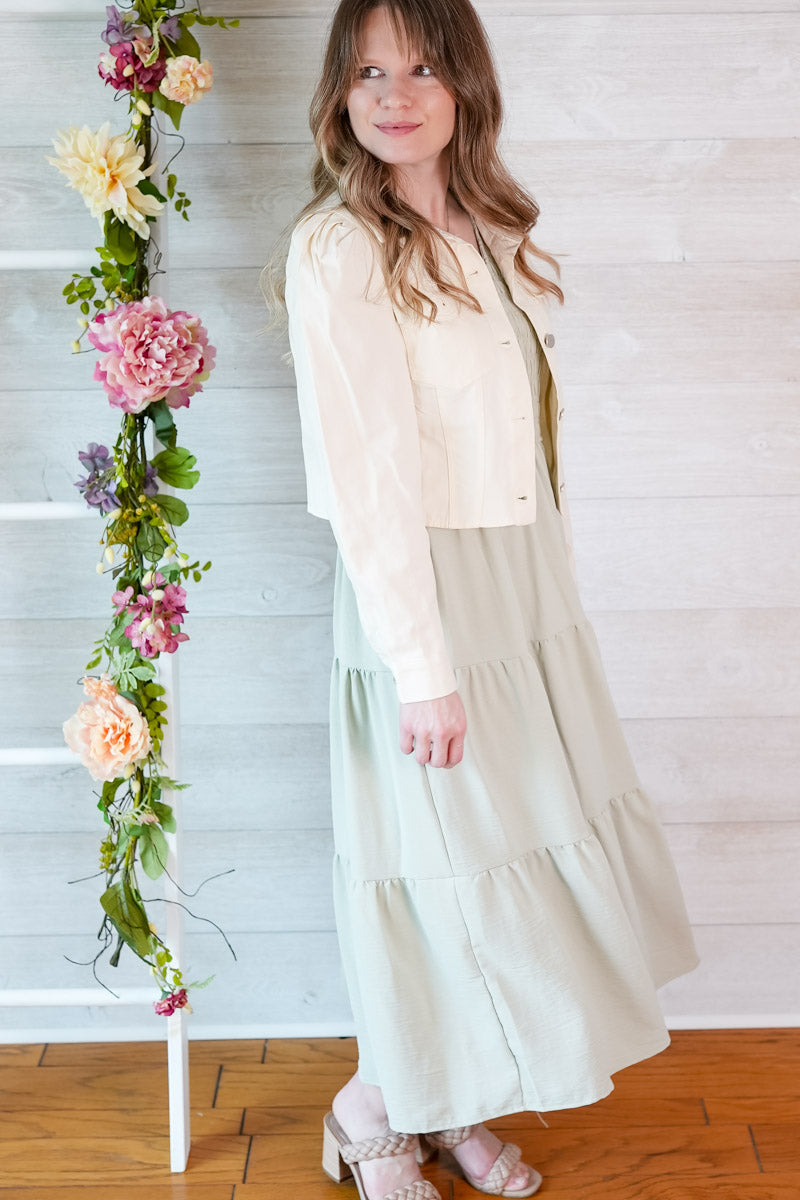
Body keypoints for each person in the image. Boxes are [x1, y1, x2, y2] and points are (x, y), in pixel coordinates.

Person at [262, 2, 700, 1198]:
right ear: (339, 93)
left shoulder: (486, 229)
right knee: (451, 862)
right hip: (428, 595)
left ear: (463, 82)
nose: (391, 92)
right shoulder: (338, 248)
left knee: (508, 851)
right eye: (364, 70)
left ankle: (451, 1099)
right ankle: (373, 1113)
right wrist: (423, 664)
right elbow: (366, 485)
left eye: (418, 66)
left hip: (519, 589)